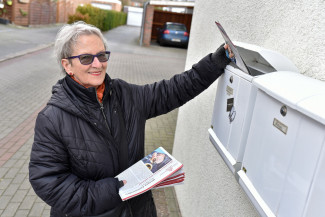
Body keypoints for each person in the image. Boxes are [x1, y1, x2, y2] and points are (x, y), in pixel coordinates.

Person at [28, 21, 233, 217]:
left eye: (102, 55)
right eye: (86, 58)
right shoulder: (52, 118)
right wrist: (113, 190)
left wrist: (216, 62)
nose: (97, 64)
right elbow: (49, 183)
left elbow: (173, 90)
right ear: (67, 65)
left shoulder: (125, 94)